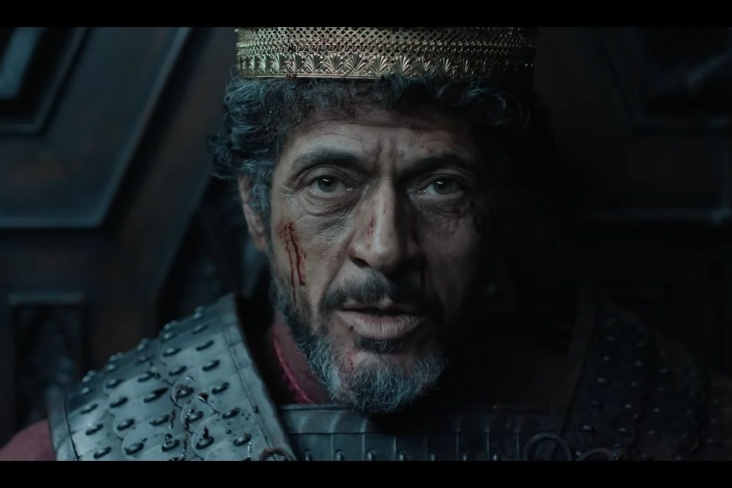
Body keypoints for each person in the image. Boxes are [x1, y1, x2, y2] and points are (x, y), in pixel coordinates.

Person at [1, 26, 731, 461]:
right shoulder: (94, 448)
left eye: (439, 185)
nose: (385, 250)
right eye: (329, 183)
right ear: (255, 208)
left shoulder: (665, 428)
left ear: (497, 204)